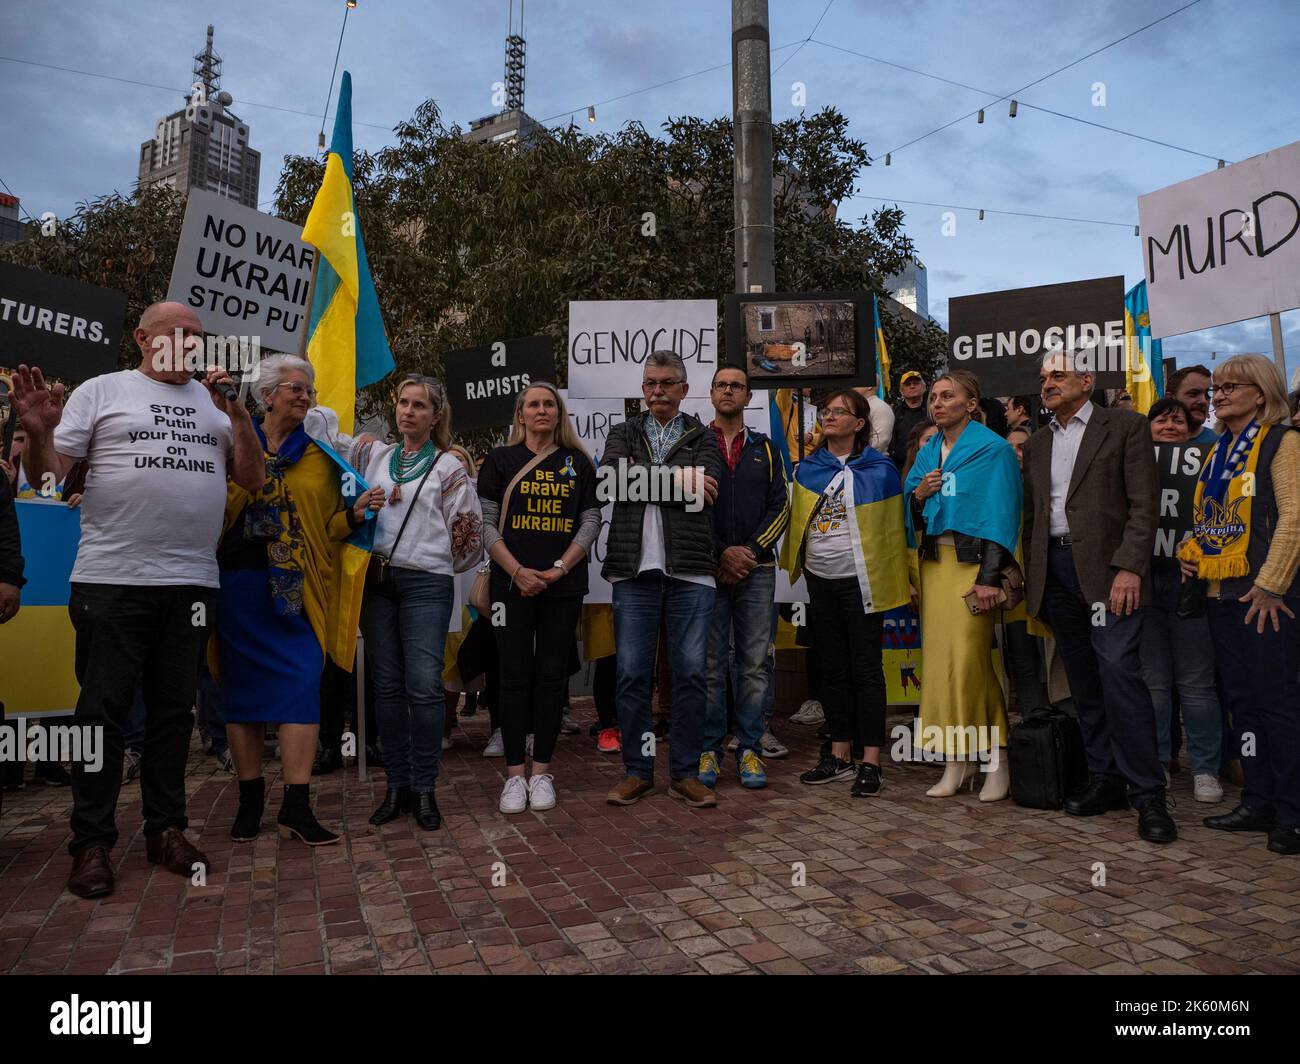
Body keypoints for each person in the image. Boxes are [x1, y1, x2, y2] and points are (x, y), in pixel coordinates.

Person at [11, 302, 263, 897]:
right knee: (102, 713)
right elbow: (48, 483)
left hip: (193, 582)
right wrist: (42, 433)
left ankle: (166, 828)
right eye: (178, 333)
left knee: (175, 713)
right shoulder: (103, 391)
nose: (190, 343)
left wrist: (243, 419)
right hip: (113, 580)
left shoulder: (216, 404)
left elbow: (251, 481)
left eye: (198, 336)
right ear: (144, 338)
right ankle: (92, 841)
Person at [219, 354, 380, 847]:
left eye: (309, 389)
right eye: (295, 387)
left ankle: (296, 805)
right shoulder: (228, 446)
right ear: (266, 395)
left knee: (301, 687)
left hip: (299, 592)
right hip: (241, 586)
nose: (305, 396)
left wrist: (353, 516)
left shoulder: (322, 459)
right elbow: (216, 510)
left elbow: (328, 528)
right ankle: (249, 802)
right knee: (242, 697)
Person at [1021, 348, 1173, 843]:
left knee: (1118, 674)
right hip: (1056, 571)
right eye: (1044, 377)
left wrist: (1129, 566)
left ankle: (1149, 794)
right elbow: (1034, 513)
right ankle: (1105, 779)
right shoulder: (1040, 442)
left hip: (1108, 573)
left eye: (1058, 375)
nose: (1048, 383)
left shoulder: (1125, 427)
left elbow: (1143, 505)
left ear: (1087, 381)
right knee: (1083, 680)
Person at [1180, 355, 1300, 855]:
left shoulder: (1284, 441)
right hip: (1221, 596)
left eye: (1233, 387)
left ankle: (1293, 812)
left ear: (1261, 392)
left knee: (1278, 706)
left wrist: (1271, 584)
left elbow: (1294, 516)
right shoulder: (1217, 452)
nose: (1220, 394)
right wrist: (1191, 553)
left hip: (1267, 598)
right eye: (1218, 388)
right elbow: (1206, 523)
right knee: (1244, 705)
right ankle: (1257, 799)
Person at [352, 375, 482, 829]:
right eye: (403, 403)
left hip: (426, 582)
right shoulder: (376, 456)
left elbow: (469, 540)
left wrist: (429, 555)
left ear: (436, 415)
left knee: (424, 685)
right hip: (378, 580)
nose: (409, 411)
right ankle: (397, 786)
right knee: (385, 686)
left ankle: (425, 787)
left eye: (420, 405)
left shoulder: (449, 467)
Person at [602, 350, 723, 809]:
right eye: (651, 382)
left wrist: (646, 478)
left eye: (667, 382)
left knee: (691, 675)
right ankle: (637, 772)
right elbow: (613, 482)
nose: (657, 390)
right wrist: (682, 481)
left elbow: (708, 490)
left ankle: (685, 775)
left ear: (684, 389)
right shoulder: (622, 432)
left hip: (691, 572)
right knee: (632, 674)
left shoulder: (703, 436)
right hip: (634, 572)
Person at [478, 382, 599, 814]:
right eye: (534, 404)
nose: (542, 410)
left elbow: (590, 521)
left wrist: (560, 567)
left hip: (562, 585)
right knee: (511, 678)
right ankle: (514, 775)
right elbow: (486, 526)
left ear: (559, 414)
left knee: (551, 678)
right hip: (509, 587)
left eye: (549, 404)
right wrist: (517, 571)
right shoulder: (499, 460)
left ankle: (543, 771)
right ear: (520, 415)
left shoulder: (578, 462)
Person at [782, 388, 909, 796]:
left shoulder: (882, 469)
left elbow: (894, 530)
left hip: (863, 580)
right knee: (832, 668)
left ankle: (871, 760)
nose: (830, 416)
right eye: (827, 410)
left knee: (866, 668)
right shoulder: (808, 469)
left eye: (840, 411)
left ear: (859, 424)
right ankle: (839, 754)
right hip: (821, 579)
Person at [904, 371, 1018, 801]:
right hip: (935, 566)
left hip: (973, 570)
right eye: (933, 396)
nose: (937, 403)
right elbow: (908, 506)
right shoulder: (929, 450)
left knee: (971, 663)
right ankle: (957, 760)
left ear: (971, 404)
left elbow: (1002, 517)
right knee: (940, 668)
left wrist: (990, 578)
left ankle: (996, 760)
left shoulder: (995, 451)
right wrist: (917, 496)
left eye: (948, 396)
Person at [698, 366, 789, 791]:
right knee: (711, 666)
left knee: (754, 665)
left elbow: (781, 506)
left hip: (757, 570)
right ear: (711, 393)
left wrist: (749, 552)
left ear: (748, 395)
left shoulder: (766, 448)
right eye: (722, 385)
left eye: (736, 385)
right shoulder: (696, 445)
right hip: (709, 571)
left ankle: (750, 746)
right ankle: (710, 751)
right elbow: (686, 509)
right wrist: (719, 553)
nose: (728, 390)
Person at [1139, 398, 1224, 803]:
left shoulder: (1210, 466)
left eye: (1178, 420)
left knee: (1196, 684)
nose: (1170, 426)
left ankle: (1206, 769)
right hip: (1145, 583)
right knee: (1154, 683)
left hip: (1193, 585)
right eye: (1161, 420)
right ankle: (1158, 761)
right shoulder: (1133, 465)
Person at [1166, 364, 1216, 446]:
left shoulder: (1221, 444)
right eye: (1194, 394)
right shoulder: (1145, 441)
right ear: (1170, 398)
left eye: (1207, 395)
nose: (1203, 401)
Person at [889, 370, 929, 467]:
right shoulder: (894, 413)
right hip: (900, 467)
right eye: (908, 384)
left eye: (916, 383)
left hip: (928, 465)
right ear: (901, 390)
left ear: (924, 387)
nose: (912, 386)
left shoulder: (932, 411)